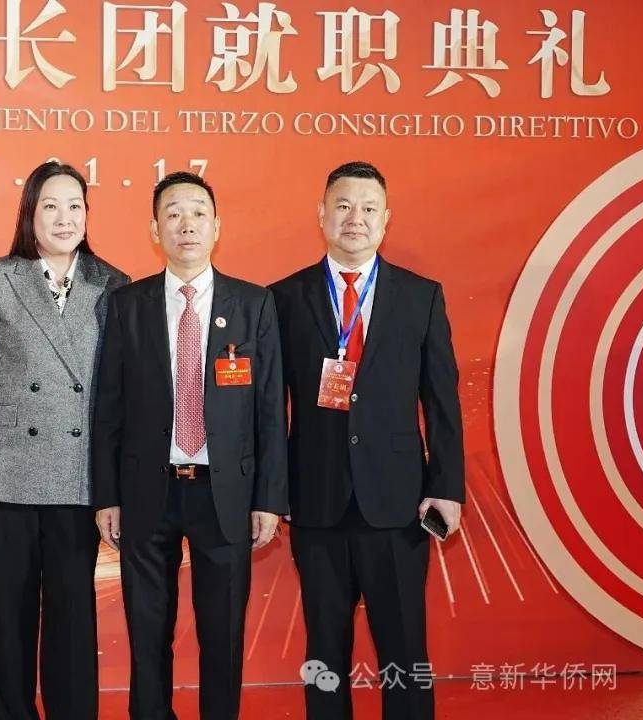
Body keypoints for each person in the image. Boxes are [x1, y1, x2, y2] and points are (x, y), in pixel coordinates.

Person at [269, 161, 465, 720]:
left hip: (399, 505)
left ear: (385, 219)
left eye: (368, 208)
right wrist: (272, 492)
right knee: (324, 654)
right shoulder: (283, 298)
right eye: (343, 206)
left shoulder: (420, 296)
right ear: (321, 215)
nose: (355, 218)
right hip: (316, 502)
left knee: (405, 648)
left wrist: (447, 486)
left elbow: (442, 401)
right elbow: (268, 408)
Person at [92, 171, 287, 720]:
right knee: (148, 632)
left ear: (217, 226)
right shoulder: (126, 304)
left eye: (199, 213)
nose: (187, 225)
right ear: (155, 230)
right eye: (173, 214)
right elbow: (108, 408)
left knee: (223, 635)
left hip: (225, 493)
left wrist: (269, 499)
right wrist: (107, 495)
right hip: (145, 491)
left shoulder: (253, 304)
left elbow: (270, 409)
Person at [0, 160, 130, 720]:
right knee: (4, 620)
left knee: (72, 623)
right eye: (51, 206)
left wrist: (116, 486)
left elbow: (120, 396)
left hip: (77, 478)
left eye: (75, 206)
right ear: (30, 214)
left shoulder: (113, 284)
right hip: (3, 477)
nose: (64, 218)